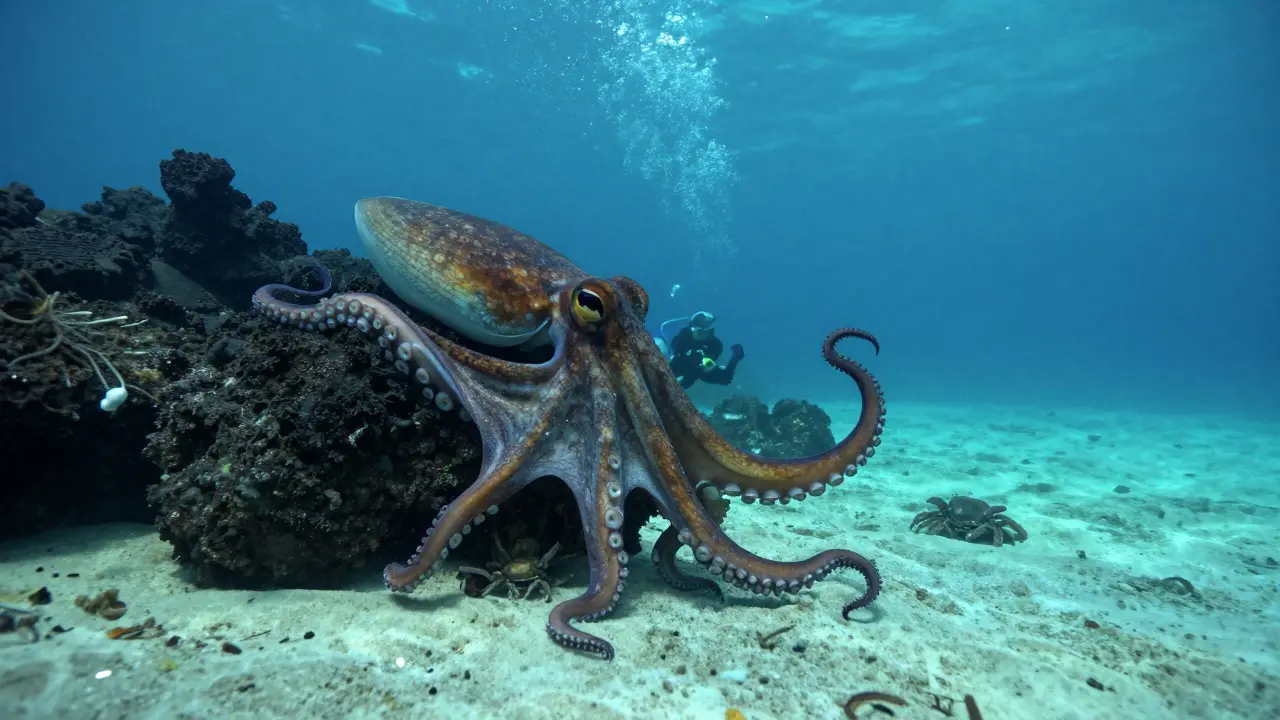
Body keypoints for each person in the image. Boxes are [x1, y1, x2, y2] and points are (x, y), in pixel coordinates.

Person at [660, 311, 744, 389]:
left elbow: (709, 361)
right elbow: (675, 349)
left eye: (709, 330)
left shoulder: (716, 344)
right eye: (700, 331)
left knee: (725, 378)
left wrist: (735, 358)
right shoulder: (685, 334)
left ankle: (736, 357)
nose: (705, 334)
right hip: (680, 362)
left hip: (699, 368)